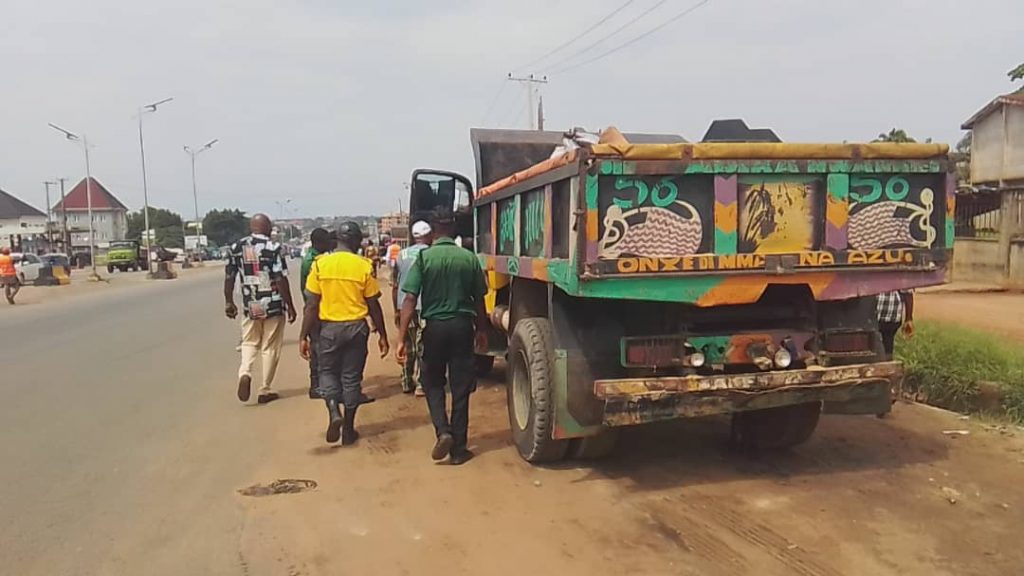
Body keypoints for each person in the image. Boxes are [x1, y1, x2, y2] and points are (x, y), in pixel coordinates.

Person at [397, 208, 487, 465]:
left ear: (433, 231)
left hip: (435, 327)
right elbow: (479, 298)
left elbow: (410, 298)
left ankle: (443, 431)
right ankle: (458, 449)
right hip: (462, 326)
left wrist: (402, 337)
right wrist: (481, 329)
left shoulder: (425, 259)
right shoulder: (468, 258)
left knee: (432, 381)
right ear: (454, 229)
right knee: (460, 386)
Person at [300, 221, 389, 445]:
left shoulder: (320, 265)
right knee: (351, 379)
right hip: (357, 328)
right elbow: (373, 304)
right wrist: (383, 335)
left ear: (337, 240)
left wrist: (303, 336)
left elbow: (311, 305)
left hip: (328, 328)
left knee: (327, 372)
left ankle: (333, 410)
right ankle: (348, 430)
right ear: (356, 241)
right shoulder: (364, 265)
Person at [224, 214, 297, 405]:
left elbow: (230, 277)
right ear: (268, 228)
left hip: (251, 303)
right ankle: (265, 388)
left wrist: (228, 301)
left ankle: (245, 372)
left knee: (249, 342)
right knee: (270, 346)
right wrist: (290, 306)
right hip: (272, 303)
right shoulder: (273, 248)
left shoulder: (236, 247)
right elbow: (280, 278)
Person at [392, 221, 433, 396]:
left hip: (405, 306)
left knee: (407, 345)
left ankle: (406, 380)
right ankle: (421, 384)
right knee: (423, 345)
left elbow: (395, 284)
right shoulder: (431, 254)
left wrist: (396, 309)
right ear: (429, 235)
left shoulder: (402, 255)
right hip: (426, 306)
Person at [300, 228, 337, 399]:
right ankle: (315, 385)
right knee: (316, 348)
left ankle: (323, 383)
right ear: (320, 243)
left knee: (321, 348)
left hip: (317, 308)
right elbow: (310, 292)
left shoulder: (318, 258)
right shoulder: (312, 261)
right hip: (315, 309)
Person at [877, 290, 914, 360]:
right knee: (887, 344)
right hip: (891, 313)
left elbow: (907, 291)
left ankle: (886, 363)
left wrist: (909, 319)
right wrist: (908, 318)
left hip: (887, 314)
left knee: (886, 342)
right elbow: (907, 292)